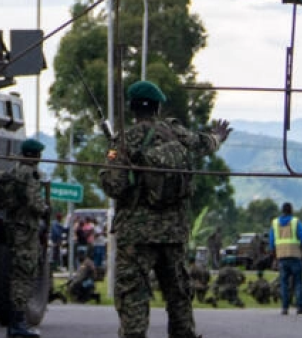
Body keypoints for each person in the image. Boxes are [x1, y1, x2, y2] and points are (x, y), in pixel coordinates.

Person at [99, 79, 230, 338]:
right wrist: (217, 136)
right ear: (157, 108)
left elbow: (114, 186)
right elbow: (204, 143)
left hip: (136, 235)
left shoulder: (123, 141)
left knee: (133, 295)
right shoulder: (175, 133)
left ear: (133, 108)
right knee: (178, 294)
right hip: (173, 232)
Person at [0, 138, 48, 338]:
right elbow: (35, 204)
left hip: (12, 228)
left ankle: (16, 323)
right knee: (24, 275)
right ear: (34, 155)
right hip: (26, 231)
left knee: (17, 273)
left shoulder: (10, 173)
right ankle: (18, 324)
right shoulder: (29, 175)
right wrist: (45, 208)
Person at [270, 201, 302, 316]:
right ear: (291, 210)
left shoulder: (275, 223)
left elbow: (271, 243)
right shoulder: (295, 222)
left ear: (282, 210)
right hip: (295, 255)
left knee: (284, 283)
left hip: (281, 256)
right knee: (298, 282)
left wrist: (274, 257)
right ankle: (300, 307)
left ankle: (284, 308)